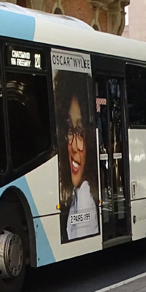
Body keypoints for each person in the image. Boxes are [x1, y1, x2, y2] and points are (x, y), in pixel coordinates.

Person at [55, 71, 99, 242]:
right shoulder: (76, 196)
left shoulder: (85, 197)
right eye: (69, 129)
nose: (73, 146)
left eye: (80, 132)